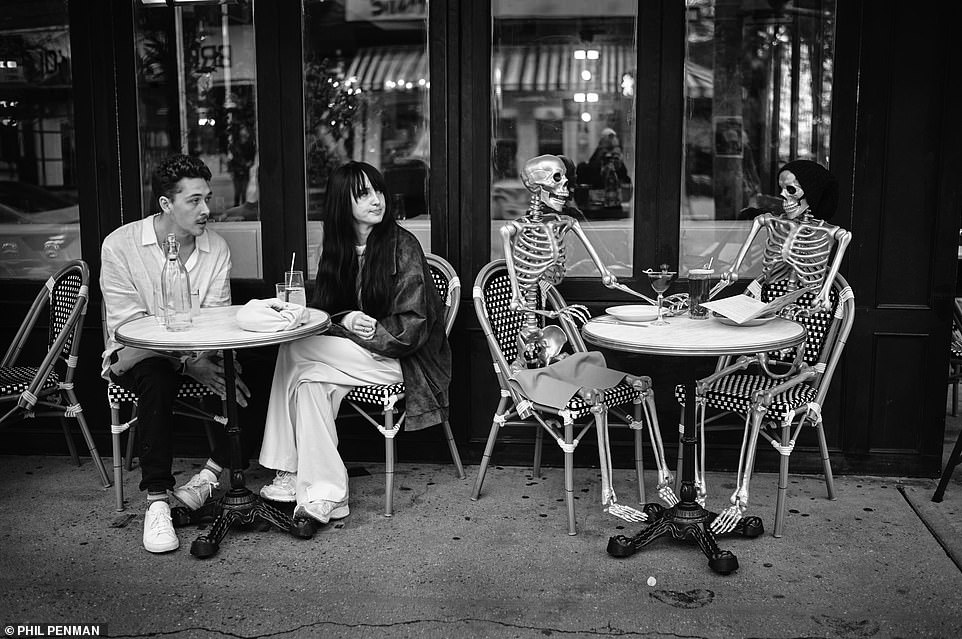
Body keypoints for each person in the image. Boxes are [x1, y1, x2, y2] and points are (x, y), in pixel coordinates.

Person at [257, 161, 451, 524]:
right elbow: (326, 313)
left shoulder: (402, 245)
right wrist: (343, 319)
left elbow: (411, 329)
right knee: (311, 383)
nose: (376, 200)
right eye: (363, 194)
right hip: (352, 358)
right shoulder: (337, 248)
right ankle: (328, 495)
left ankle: (288, 468)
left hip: (404, 361)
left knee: (294, 348)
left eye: (377, 190)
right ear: (341, 203)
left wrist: (351, 328)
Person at [100, 153, 251, 554]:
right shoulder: (120, 245)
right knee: (156, 373)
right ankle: (157, 500)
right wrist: (188, 362)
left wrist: (203, 359)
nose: (207, 210)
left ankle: (210, 476)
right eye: (195, 201)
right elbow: (132, 329)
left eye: (208, 199)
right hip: (135, 356)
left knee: (244, 366)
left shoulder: (215, 247)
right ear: (167, 204)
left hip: (198, 350)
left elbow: (218, 319)